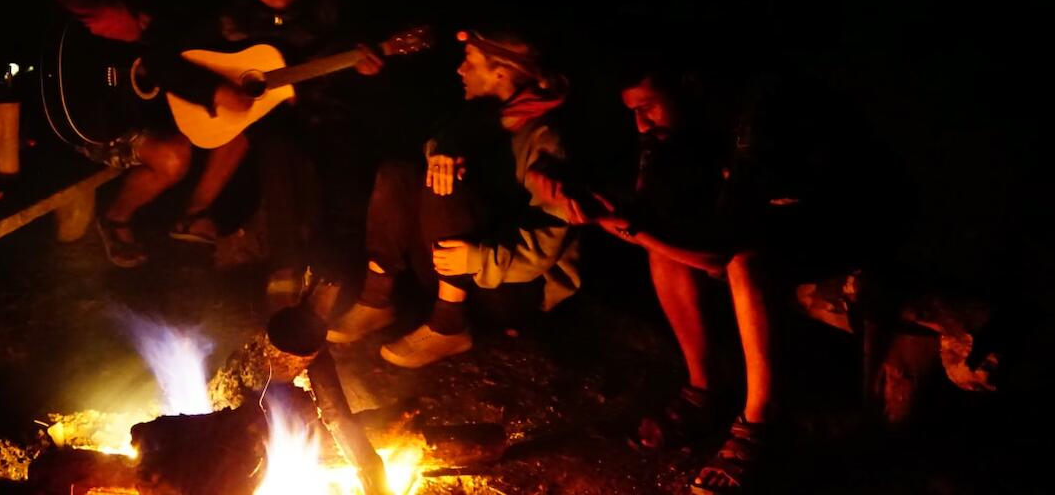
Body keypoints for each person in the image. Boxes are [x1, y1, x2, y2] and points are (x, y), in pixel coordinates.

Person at [573, 62, 878, 495]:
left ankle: (759, 425)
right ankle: (703, 390)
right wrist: (609, 209)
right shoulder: (674, 135)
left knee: (745, 264)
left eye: (648, 107)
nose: (640, 122)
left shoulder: (752, 123)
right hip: (755, 219)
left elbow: (726, 249)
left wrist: (629, 227)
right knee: (669, 249)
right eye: (632, 112)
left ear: (687, 87)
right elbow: (660, 211)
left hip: (841, 219)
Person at [326, 28, 580, 368]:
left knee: (444, 183)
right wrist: (444, 150)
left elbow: (549, 238)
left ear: (500, 73)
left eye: (470, 62)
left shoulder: (545, 139)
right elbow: (433, 145)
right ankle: (376, 300)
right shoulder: (474, 118)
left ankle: (449, 326)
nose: (460, 70)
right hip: (452, 271)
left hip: (509, 289)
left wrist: (479, 258)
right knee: (399, 172)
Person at [171, 0, 383, 303]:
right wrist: (215, 90)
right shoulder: (230, 20)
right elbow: (170, 63)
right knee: (274, 145)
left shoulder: (330, 11)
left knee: (342, 163)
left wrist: (367, 71)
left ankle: (336, 278)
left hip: (327, 113)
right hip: (269, 122)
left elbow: (353, 70)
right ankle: (284, 266)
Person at [53, 0, 249, 268]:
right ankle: (115, 218)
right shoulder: (93, 9)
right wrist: (208, 90)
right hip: (96, 124)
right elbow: (152, 57)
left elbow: (165, 52)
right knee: (173, 157)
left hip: (143, 109)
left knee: (239, 122)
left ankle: (194, 214)